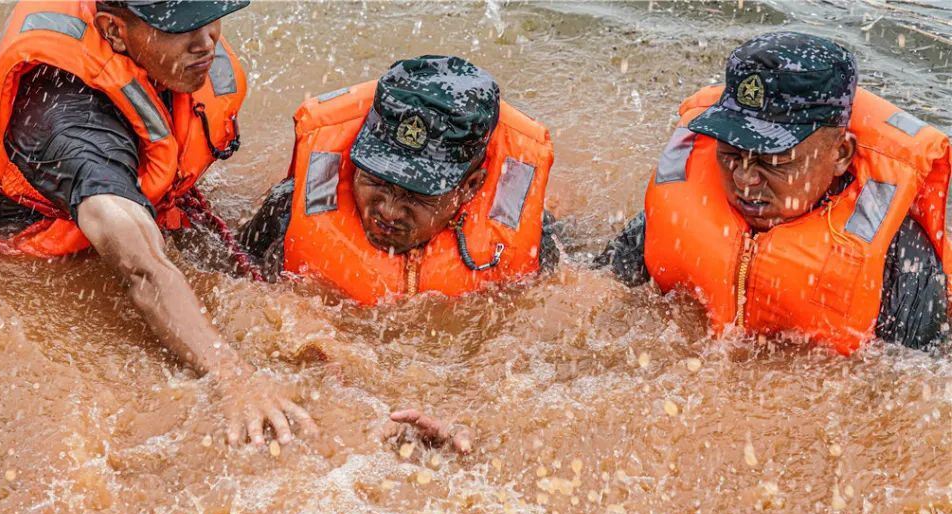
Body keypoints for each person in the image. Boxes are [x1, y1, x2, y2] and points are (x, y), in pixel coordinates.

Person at [0, 0, 315, 446]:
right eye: (182, 27)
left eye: (208, 18)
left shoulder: (164, 49)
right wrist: (233, 377)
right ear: (113, 32)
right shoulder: (67, 127)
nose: (207, 40)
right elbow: (143, 271)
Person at [594, 32, 950, 354]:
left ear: (840, 154)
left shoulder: (902, 260)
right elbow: (596, 292)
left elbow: (903, 385)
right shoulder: (681, 203)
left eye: (774, 160)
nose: (744, 179)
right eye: (731, 152)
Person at [237, 55, 559, 306]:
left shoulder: (528, 243)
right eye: (377, 180)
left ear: (470, 187)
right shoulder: (288, 209)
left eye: (417, 193)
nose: (389, 211)